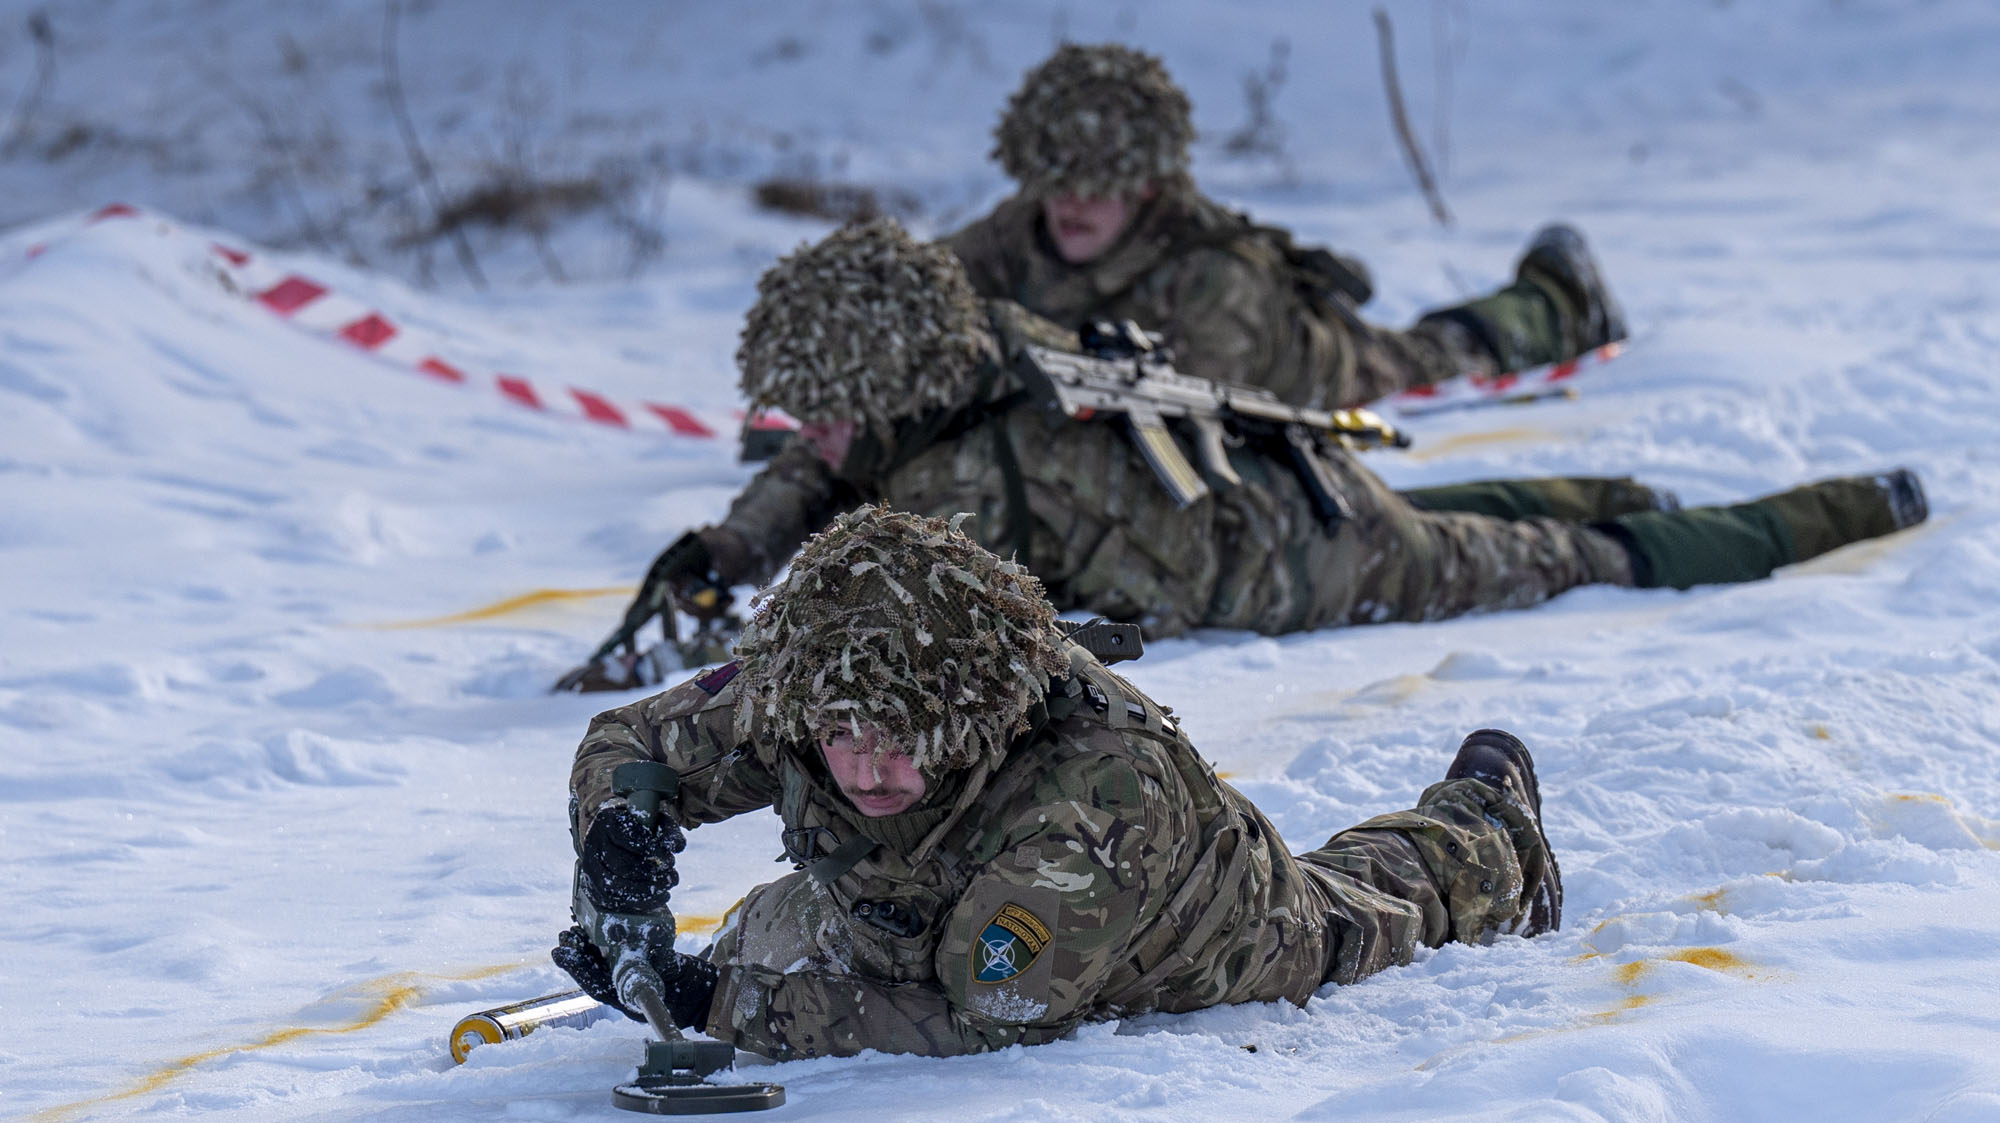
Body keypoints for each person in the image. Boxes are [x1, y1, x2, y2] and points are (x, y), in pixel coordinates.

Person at [554, 218, 1923, 688]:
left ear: (889, 378)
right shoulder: (980, 346)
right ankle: (1638, 493)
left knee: (1570, 560)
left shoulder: (960, 486)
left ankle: (1838, 509)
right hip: (1269, 474)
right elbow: (832, 463)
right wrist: (733, 543)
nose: (818, 434)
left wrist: (741, 645)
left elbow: (897, 630)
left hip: (1292, 560)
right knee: (1463, 511)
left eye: (830, 407)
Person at [552, 505, 1567, 1060]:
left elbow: (983, 1019)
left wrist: (716, 1004)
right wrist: (620, 836)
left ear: (973, 714)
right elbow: (630, 741)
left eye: (903, 740)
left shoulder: (1092, 794)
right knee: (773, 931)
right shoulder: (821, 676)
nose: (864, 766)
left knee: (1369, 904)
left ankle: (1484, 824)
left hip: (1200, 938)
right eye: (838, 735)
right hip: (907, 908)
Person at [948, 42, 1625, 418]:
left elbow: (1161, 415)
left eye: (1099, 188)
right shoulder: (1017, 232)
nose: (1072, 205)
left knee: (1442, 354)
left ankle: (1560, 298)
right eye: (1057, 183)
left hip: (1325, 374)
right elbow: (923, 294)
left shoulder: (1213, 281)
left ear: (1147, 185)